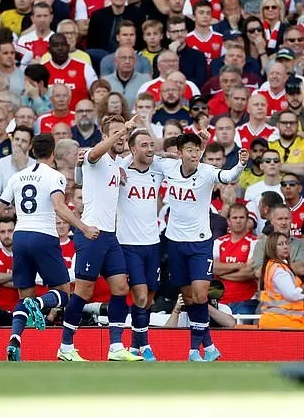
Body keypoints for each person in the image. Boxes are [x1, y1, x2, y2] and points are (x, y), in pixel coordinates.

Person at [0, 134, 99, 361]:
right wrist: (83, 227)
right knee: (64, 293)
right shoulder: (55, 176)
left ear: (32, 152)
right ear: (53, 153)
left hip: (21, 237)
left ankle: (15, 339)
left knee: (23, 295)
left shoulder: (17, 177)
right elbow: (58, 206)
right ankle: (39, 303)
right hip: (44, 236)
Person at [155, 133, 249, 361]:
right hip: (175, 243)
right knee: (188, 297)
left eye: (197, 150)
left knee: (200, 294)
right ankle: (208, 347)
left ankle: (192, 350)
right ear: (180, 153)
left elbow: (227, 176)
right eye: (189, 150)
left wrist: (241, 164)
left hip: (200, 243)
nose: (195, 154)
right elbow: (145, 158)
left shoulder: (207, 172)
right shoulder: (167, 166)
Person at [57, 115, 142, 362]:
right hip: (91, 234)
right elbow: (92, 156)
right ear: (105, 137)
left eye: (124, 134)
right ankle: (65, 346)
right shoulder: (96, 156)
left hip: (109, 235)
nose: (122, 137)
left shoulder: (116, 164)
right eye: (116, 133)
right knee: (83, 291)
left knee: (121, 288)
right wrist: (123, 127)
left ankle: (116, 347)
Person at [117, 130, 163, 362]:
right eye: (144, 145)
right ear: (133, 149)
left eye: (151, 144)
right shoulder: (122, 173)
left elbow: (175, 163)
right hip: (129, 244)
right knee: (141, 296)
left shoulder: (158, 171)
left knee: (148, 298)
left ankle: (134, 347)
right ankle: (145, 346)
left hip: (153, 244)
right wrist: (123, 163)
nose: (149, 149)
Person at [259, 232, 304, 329]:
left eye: (286, 243)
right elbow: (292, 294)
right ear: (272, 248)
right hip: (284, 323)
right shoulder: (279, 270)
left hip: (279, 321)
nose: (285, 246)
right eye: (280, 244)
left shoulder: (273, 266)